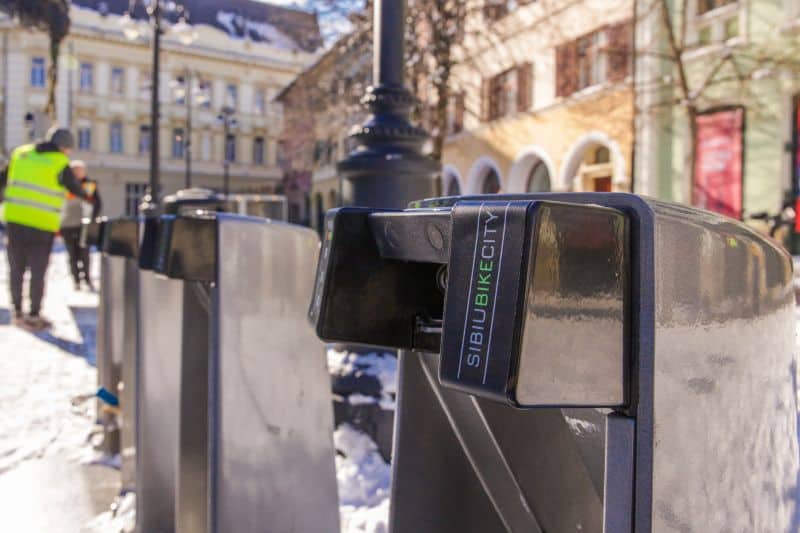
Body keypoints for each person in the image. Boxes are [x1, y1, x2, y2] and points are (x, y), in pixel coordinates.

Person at [0, 127, 94, 330]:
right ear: (64, 147)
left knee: (16, 268)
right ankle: (34, 315)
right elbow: (76, 189)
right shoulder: (59, 162)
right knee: (37, 270)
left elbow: (2, 181)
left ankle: (17, 311)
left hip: (15, 220)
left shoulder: (20, 153)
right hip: (42, 224)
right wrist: (87, 194)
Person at [60, 160, 101, 291]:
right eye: (75, 171)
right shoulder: (64, 186)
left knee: (84, 254)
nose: (77, 173)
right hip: (66, 224)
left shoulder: (89, 185)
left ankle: (87, 279)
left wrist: (92, 219)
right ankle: (76, 280)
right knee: (72, 255)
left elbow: (97, 203)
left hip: (84, 225)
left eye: (80, 170)